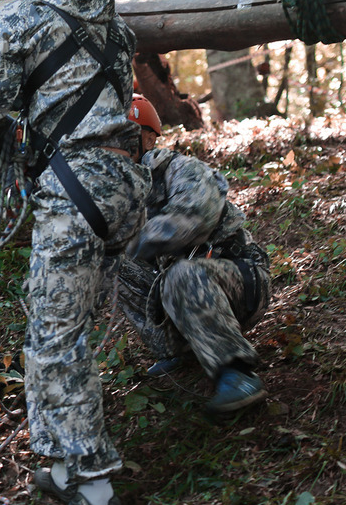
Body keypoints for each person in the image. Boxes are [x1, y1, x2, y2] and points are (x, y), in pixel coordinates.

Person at [0, 0, 151, 505]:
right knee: (57, 322)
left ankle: (94, 491)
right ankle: (63, 461)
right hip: (126, 187)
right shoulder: (116, 25)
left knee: (55, 341)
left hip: (74, 192)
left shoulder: (16, 21)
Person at [112, 94, 271, 413]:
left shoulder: (179, 170)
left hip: (239, 279)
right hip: (186, 288)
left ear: (146, 138)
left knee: (181, 274)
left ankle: (236, 374)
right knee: (114, 267)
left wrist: (137, 240)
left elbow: (195, 216)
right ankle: (179, 351)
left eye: (122, 138)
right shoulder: (122, 197)